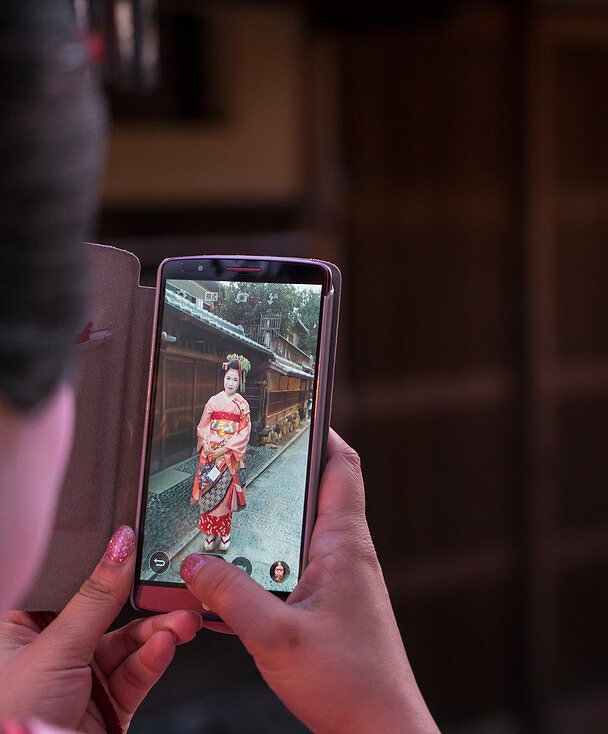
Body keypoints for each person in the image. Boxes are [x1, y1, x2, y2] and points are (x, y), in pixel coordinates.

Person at [0, 2, 438, 732]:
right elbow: (215, 425)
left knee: (222, 498)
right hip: (215, 452)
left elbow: (227, 427)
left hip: (222, 455)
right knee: (212, 497)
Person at [191, 355, 252, 553]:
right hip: (210, 456)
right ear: (223, 379)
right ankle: (209, 534)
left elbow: (244, 431)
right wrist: (207, 445)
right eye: (228, 378)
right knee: (208, 494)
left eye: (235, 379)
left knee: (225, 498)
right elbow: (204, 425)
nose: (231, 383)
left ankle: (224, 533)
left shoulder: (242, 405)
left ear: (239, 381)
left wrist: (225, 449)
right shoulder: (213, 401)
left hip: (228, 458)